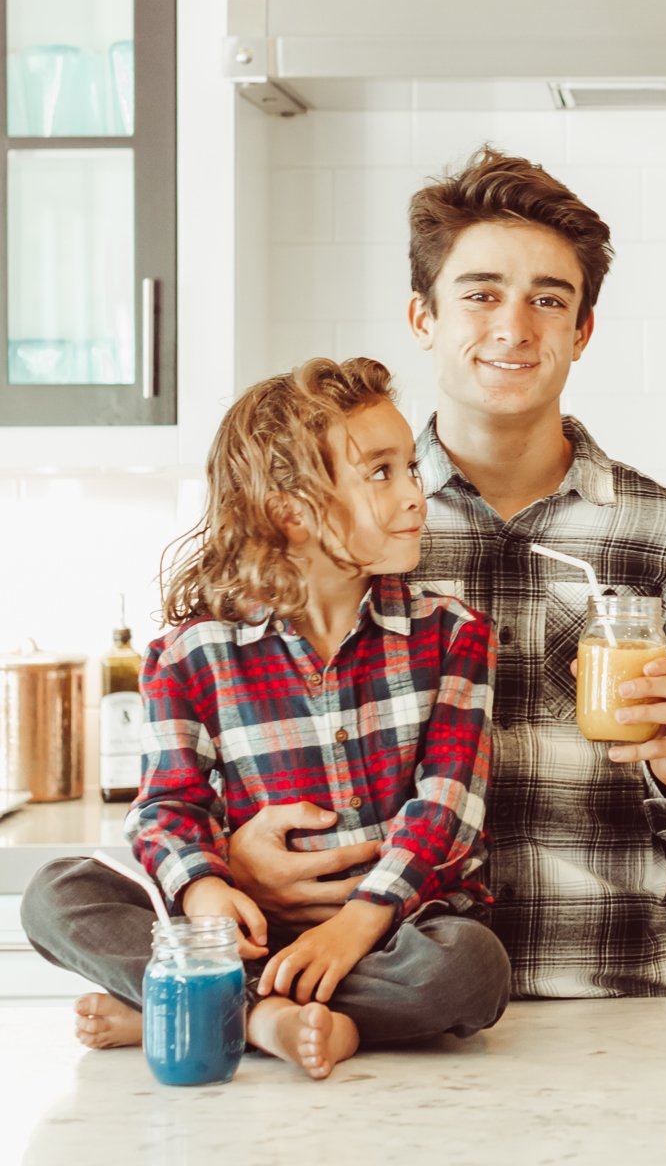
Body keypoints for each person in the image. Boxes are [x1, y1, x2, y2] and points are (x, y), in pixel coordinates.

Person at [217, 148, 666, 999]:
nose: (514, 326)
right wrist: (234, 853)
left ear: (582, 332)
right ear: (423, 317)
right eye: (481, 294)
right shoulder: (342, 528)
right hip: (382, 994)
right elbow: (233, 735)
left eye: (549, 300)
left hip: (616, 997)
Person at [21, 357, 508, 1080]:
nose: (416, 493)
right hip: (244, 932)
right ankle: (260, 1013)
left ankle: (187, 1008)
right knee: (55, 894)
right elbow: (168, 808)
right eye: (381, 472)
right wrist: (205, 890)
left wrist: (355, 924)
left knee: (472, 968)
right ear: (291, 511)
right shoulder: (189, 655)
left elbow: (446, 809)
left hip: (396, 927)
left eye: (410, 467)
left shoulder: (454, 634)